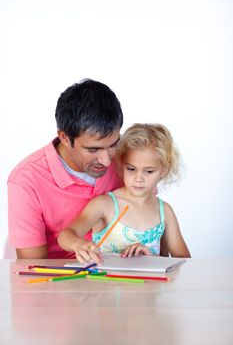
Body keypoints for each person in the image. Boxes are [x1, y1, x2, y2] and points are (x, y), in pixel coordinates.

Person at [7, 79, 123, 259]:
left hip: (124, 276)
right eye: (93, 149)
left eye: (114, 145)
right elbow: (33, 267)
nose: (107, 161)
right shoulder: (25, 180)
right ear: (65, 138)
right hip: (61, 281)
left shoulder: (129, 162)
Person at [58, 123, 191, 263]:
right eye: (131, 169)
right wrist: (78, 245)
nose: (138, 178)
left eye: (149, 171)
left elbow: (185, 261)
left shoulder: (164, 211)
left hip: (151, 285)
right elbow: (65, 235)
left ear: (164, 169)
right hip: (104, 283)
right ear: (121, 164)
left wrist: (152, 259)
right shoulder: (104, 204)